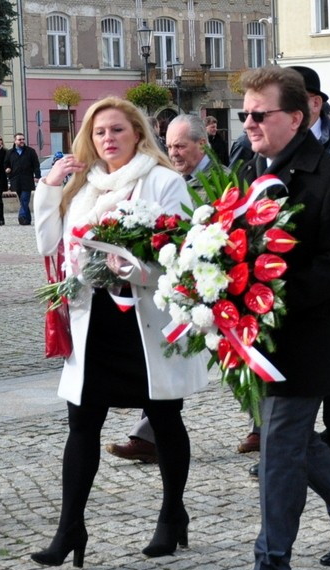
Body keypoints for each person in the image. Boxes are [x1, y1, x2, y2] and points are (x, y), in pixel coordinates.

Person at [30, 97, 209, 568]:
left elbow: (182, 252)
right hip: (95, 323)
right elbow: (49, 245)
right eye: (98, 133)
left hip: (146, 322)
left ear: (137, 132)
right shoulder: (81, 186)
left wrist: (135, 268)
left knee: (165, 419)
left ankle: (172, 514)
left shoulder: (163, 180)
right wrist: (49, 189)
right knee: (82, 425)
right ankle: (70, 528)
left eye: (117, 130)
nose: (107, 139)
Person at [229, 66, 330, 570]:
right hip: (254, 334)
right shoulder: (247, 168)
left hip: (306, 336)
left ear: (295, 118)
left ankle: (272, 568)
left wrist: (274, 291)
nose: (248, 123)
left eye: (258, 114)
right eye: (244, 113)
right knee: (288, 439)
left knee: (279, 451)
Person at [104, 114, 226, 464]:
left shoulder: (220, 178)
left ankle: (263, 428)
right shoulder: (171, 179)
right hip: (176, 285)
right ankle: (147, 435)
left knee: (231, 359)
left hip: (213, 283)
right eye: (169, 145)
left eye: (180, 146)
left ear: (201, 145)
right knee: (166, 358)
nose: (173, 152)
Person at [4, 132, 40, 225]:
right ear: (15, 141)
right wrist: (7, 169)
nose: (22, 141)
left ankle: (21, 216)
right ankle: (27, 220)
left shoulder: (30, 151)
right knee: (22, 199)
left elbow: (36, 164)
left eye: (23, 139)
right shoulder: (10, 152)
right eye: (20, 139)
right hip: (15, 179)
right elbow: (6, 163)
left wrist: (37, 176)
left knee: (24, 199)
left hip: (27, 179)